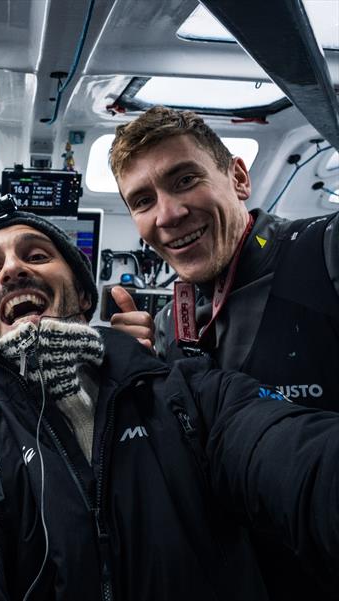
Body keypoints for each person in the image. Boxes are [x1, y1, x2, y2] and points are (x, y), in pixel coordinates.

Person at [0, 205, 339, 601]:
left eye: (36, 256)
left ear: (84, 294)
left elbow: (303, 462)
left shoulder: (195, 396)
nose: (12, 269)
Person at [108, 105, 339, 598]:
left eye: (185, 179)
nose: (167, 214)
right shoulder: (173, 319)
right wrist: (141, 381)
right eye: (143, 201)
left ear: (237, 177)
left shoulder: (327, 251)